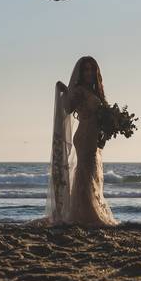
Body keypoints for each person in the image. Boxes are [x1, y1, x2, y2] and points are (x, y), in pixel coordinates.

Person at [45, 56, 117, 226]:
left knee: (89, 173)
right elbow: (68, 108)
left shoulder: (94, 91)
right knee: (84, 174)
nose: (89, 73)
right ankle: (84, 214)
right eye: (86, 69)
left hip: (94, 135)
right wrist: (65, 91)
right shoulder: (79, 90)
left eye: (92, 69)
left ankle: (84, 211)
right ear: (80, 72)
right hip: (84, 135)